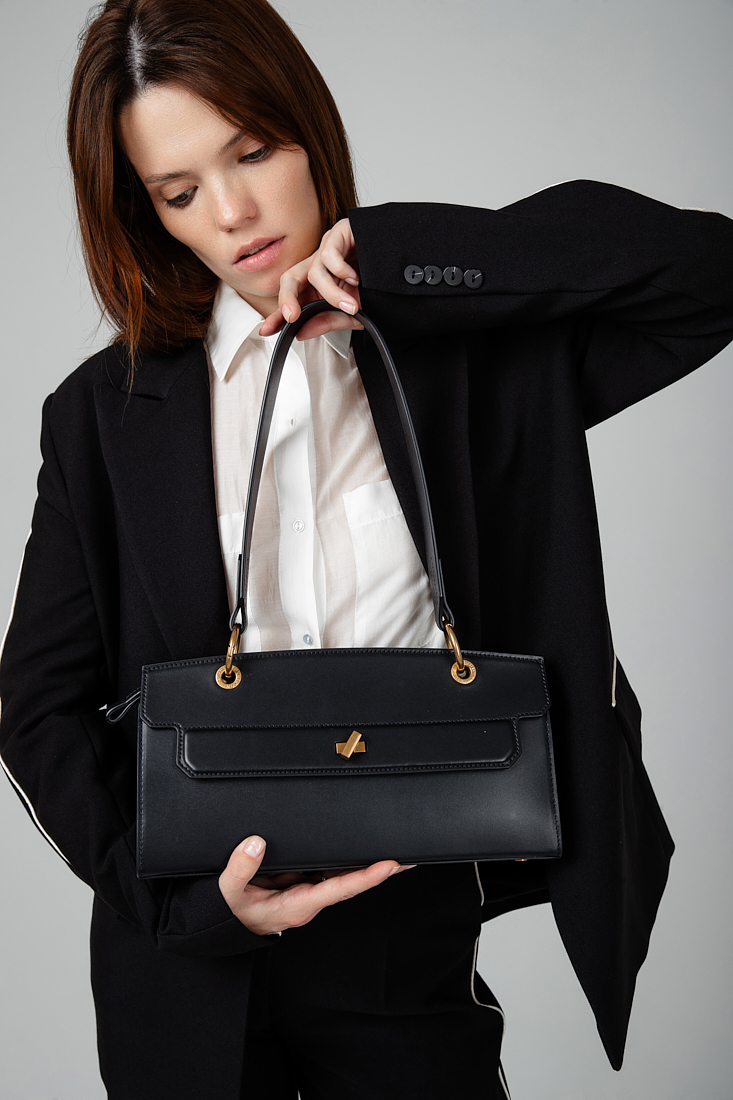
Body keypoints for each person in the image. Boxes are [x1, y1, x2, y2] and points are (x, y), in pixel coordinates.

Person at [0, 0, 731, 1096]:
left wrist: (403, 259)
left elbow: (707, 272)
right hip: (188, 968)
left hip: (406, 937)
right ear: (147, 212)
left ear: (307, 127)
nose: (234, 213)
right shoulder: (101, 414)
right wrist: (186, 905)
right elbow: (36, 704)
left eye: (253, 151)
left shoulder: (473, 359)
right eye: (181, 192)